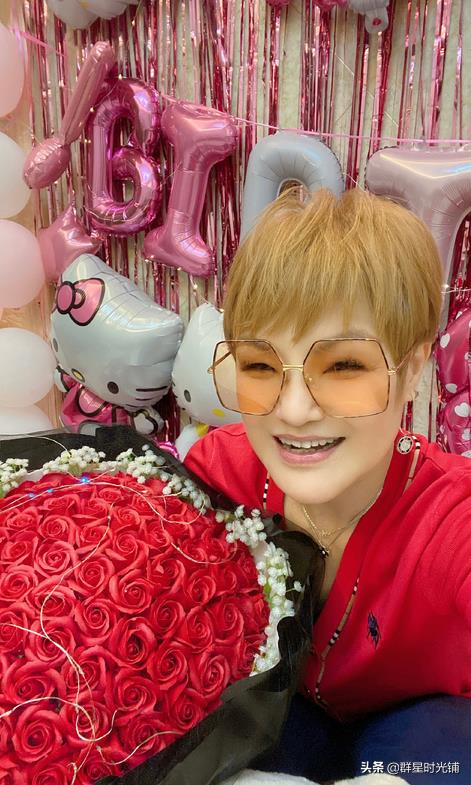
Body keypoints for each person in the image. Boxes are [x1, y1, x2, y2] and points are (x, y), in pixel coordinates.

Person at [183, 188, 471, 784]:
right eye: (260, 366)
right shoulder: (219, 477)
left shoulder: (451, 523)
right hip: (287, 719)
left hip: (426, 738)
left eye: (343, 367)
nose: (293, 411)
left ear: (412, 370)